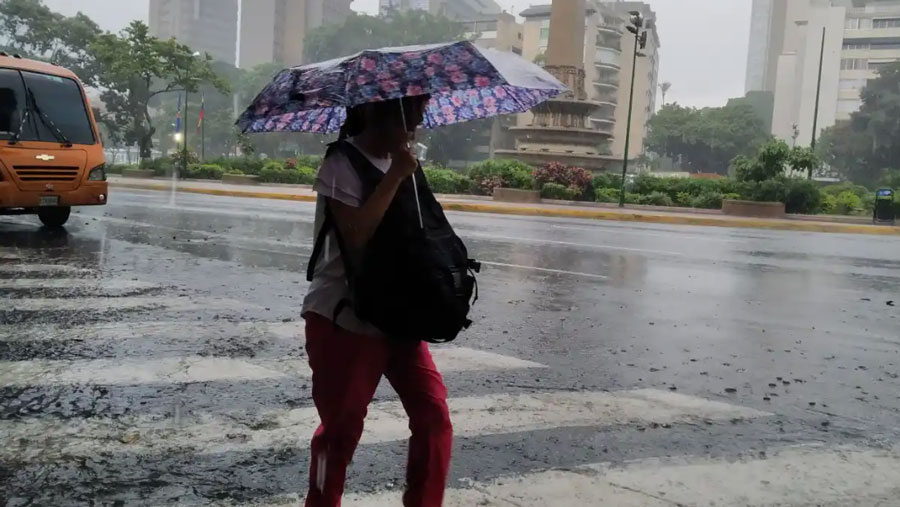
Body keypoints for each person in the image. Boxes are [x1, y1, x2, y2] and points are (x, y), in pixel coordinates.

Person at [301, 95, 452, 507]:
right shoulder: (341, 162)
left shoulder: (402, 164)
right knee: (340, 431)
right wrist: (396, 177)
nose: (414, 130)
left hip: (400, 313)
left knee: (434, 415)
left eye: (419, 120)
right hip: (344, 317)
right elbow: (356, 234)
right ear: (377, 115)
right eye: (410, 119)